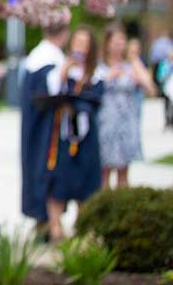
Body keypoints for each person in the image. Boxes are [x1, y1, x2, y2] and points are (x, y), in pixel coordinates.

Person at [42, 27, 103, 242]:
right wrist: (64, 71)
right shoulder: (62, 68)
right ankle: (56, 228)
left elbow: (96, 101)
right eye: (77, 42)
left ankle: (83, 228)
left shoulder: (96, 74)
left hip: (86, 136)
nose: (80, 48)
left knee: (86, 182)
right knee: (59, 179)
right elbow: (50, 91)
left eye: (85, 44)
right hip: (64, 135)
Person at [20, 21, 70, 238]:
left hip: (34, 126)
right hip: (47, 127)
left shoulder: (35, 56)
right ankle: (46, 219)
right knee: (46, 167)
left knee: (35, 166)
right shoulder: (52, 59)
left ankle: (42, 218)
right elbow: (52, 91)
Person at [98, 24, 157, 189]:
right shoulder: (100, 66)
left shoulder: (131, 66)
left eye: (121, 41)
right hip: (107, 123)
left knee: (124, 171)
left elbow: (151, 88)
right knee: (105, 170)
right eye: (115, 41)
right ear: (107, 43)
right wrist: (109, 77)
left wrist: (134, 61)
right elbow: (92, 89)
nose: (118, 45)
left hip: (127, 123)